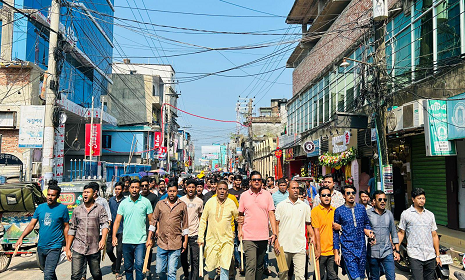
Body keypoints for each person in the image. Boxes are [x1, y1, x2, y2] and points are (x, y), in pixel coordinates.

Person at [15, 184, 69, 280]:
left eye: (53, 195)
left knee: (48, 274)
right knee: (48, 271)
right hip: (41, 246)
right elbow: (31, 224)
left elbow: (66, 227)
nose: (50, 197)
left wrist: (67, 246)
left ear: (57, 196)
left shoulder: (62, 209)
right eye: (48, 194)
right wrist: (21, 237)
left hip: (55, 246)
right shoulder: (40, 208)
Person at [238, 171, 278, 280]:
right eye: (254, 180)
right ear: (250, 182)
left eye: (259, 180)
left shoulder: (267, 195)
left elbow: (271, 214)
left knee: (260, 265)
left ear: (261, 182)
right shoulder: (244, 196)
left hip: (263, 236)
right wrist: (240, 231)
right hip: (248, 237)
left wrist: (274, 233)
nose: (257, 181)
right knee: (251, 265)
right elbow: (240, 215)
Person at [66, 184, 109, 280]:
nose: (85, 194)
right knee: (75, 275)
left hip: (94, 247)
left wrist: (103, 240)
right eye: (84, 192)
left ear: (94, 194)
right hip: (78, 247)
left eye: (87, 192)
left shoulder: (99, 209)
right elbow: (72, 229)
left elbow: (105, 224)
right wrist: (68, 248)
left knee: (96, 274)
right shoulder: (77, 210)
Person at [112, 179, 153, 280]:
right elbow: (117, 221)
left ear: (139, 189)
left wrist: (150, 238)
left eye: (137, 187)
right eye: (132, 187)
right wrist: (113, 236)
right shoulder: (124, 203)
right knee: (128, 267)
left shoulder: (146, 202)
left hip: (141, 241)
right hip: (127, 240)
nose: (134, 190)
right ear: (129, 188)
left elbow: (152, 222)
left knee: (139, 266)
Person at [198, 181, 239, 280]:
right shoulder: (210, 202)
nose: (222, 191)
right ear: (216, 190)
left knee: (225, 266)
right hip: (212, 240)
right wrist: (200, 237)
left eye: (224, 189)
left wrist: (241, 226)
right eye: (220, 189)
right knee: (211, 266)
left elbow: (239, 218)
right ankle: (211, 277)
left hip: (227, 240)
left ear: (227, 192)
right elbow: (203, 220)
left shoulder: (231, 203)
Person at [275, 181, 315, 280]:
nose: (296, 190)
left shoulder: (305, 206)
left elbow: (308, 224)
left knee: (300, 276)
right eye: (293, 188)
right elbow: (276, 225)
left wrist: (313, 236)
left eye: (297, 188)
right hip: (282, 246)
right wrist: (276, 241)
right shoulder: (280, 206)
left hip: (299, 247)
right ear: (288, 190)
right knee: (283, 275)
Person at [398, 188, 441, 280]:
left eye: (423, 198)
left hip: (430, 255)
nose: (422, 200)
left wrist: (437, 255)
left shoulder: (430, 215)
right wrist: (396, 249)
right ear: (413, 199)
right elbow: (401, 233)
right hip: (415, 255)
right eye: (419, 198)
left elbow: (434, 235)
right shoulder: (406, 214)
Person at [148, 184, 189, 280]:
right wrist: (149, 238)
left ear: (177, 192)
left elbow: (185, 225)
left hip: (176, 243)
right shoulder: (160, 204)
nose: (172, 193)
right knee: (159, 270)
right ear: (167, 191)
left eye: (174, 191)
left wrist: (185, 241)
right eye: (170, 191)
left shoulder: (182, 205)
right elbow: (153, 221)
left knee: (171, 272)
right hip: (162, 242)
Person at [333, 185, 373, 280]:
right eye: (348, 193)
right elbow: (335, 233)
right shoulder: (339, 211)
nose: (351, 195)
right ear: (344, 195)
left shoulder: (361, 208)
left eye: (353, 193)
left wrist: (370, 233)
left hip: (361, 247)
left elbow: (366, 223)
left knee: (361, 277)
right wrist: (336, 252)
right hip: (348, 248)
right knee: (356, 278)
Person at [367, 190, 399, 280]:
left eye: (384, 200)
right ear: (374, 201)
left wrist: (397, 250)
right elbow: (363, 230)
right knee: (374, 278)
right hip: (373, 252)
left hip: (387, 251)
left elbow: (393, 232)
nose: (382, 201)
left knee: (391, 277)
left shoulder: (389, 214)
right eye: (380, 199)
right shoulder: (368, 214)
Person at [311, 186, 337, 280]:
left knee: (333, 276)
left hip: (333, 251)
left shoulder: (335, 211)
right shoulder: (315, 211)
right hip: (321, 251)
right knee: (319, 276)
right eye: (324, 195)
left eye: (328, 195)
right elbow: (316, 231)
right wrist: (318, 249)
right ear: (319, 197)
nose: (326, 197)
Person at [180, 179, 204, 280]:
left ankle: (193, 278)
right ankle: (186, 274)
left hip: (195, 233)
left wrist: (201, 233)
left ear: (195, 189)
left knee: (195, 259)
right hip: (182, 234)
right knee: (183, 258)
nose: (191, 189)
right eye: (189, 187)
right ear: (186, 188)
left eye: (193, 187)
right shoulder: (181, 200)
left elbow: (200, 216)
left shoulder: (199, 201)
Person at [140, 177, 158, 276]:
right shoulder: (138, 197)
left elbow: (156, 213)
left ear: (149, 185)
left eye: (146, 185)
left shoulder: (154, 197)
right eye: (142, 186)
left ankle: (147, 266)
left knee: (148, 246)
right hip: (139, 226)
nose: (144, 187)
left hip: (150, 226)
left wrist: (156, 227)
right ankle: (142, 264)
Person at [107, 182, 125, 278]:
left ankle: (117, 271)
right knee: (109, 250)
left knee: (119, 251)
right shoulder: (111, 200)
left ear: (123, 190)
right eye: (116, 189)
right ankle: (114, 261)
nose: (117, 191)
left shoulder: (126, 201)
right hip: (111, 229)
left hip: (122, 229)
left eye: (119, 189)